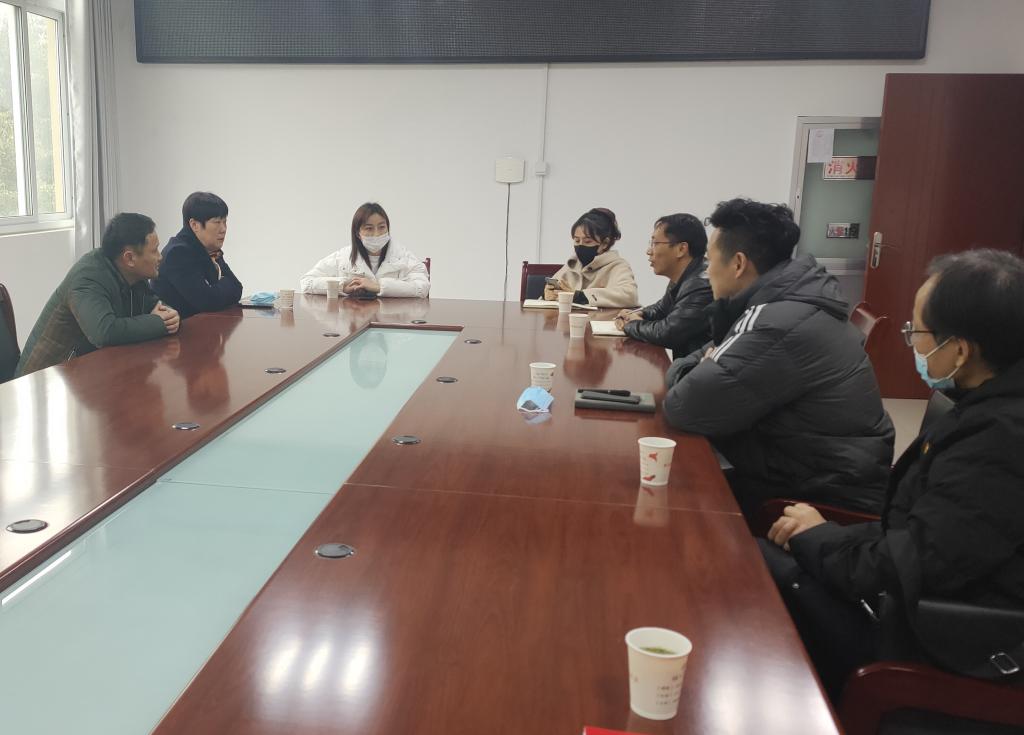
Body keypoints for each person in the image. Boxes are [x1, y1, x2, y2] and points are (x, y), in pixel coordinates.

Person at [762, 249, 1024, 701]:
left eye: (916, 331)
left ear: (960, 350)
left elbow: (910, 564)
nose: (912, 343)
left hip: (947, 643)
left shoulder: (999, 443)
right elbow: (925, 534)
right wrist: (827, 534)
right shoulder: (988, 406)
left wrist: (818, 538)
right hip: (927, 603)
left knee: (757, 572)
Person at [663, 198, 893, 514]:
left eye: (709, 261)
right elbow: (705, 357)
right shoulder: (783, 302)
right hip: (808, 467)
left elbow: (683, 407)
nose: (706, 272)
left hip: (821, 495)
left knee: (673, 499)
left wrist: (689, 371)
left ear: (738, 264)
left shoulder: (777, 322)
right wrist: (699, 367)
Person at [15, 213, 179, 377]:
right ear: (129, 258)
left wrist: (169, 315)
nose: (160, 257)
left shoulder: (133, 273)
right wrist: (159, 322)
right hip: (46, 378)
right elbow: (105, 332)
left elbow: (153, 304)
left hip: (91, 372)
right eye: (154, 251)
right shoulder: (87, 277)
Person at [614, 213, 712, 360]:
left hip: (698, 370)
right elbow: (661, 309)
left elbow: (667, 333)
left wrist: (631, 324)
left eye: (655, 243)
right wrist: (638, 314)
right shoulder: (685, 275)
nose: (648, 251)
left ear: (681, 249)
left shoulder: (701, 284)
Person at [299, 202, 429, 298]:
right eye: (369, 228)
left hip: (394, 321)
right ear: (358, 233)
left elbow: (422, 287)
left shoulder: (403, 255)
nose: (377, 234)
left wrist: (379, 286)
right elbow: (307, 282)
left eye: (382, 227)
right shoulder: (343, 257)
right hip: (354, 320)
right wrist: (342, 286)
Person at [150, 192, 243, 318]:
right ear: (194, 225)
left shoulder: (210, 249)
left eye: (225, 222)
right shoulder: (177, 253)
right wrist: (225, 284)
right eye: (217, 222)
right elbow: (208, 301)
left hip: (205, 323)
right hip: (182, 328)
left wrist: (217, 289)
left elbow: (237, 288)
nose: (223, 229)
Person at [544, 208, 639, 308]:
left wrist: (581, 296)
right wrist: (548, 295)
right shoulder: (573, 264)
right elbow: (554, 289)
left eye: (587, 241)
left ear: (605, 243)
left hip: (603, 318)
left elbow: (630, 296)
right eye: (577, 241)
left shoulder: (618, 266)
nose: (580, 245)